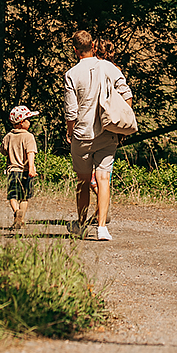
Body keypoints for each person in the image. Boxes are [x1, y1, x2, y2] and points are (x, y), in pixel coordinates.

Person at [63, 29, 131, 241]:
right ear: (93, 46)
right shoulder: (108, 67)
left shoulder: (71, 74)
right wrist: (119, 118)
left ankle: (82, 224)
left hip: (82, 134)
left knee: (83, 181)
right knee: (103, 179)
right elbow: (127, 94)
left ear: (75, 50)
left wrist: (69, 130)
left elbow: (71, 111)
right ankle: (102, 227)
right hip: (107, 132)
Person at [2, 106, 39, 229]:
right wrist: (32, 168)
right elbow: (31, 153)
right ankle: (21, 218)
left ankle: (16, 211)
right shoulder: (29, 137)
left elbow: (3, 150)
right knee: (25, 197)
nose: (30, 122)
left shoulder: (8, 136)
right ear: (22, 122)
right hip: (25, 171)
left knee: (12, 196)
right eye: (28, 119)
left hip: (12, 171)